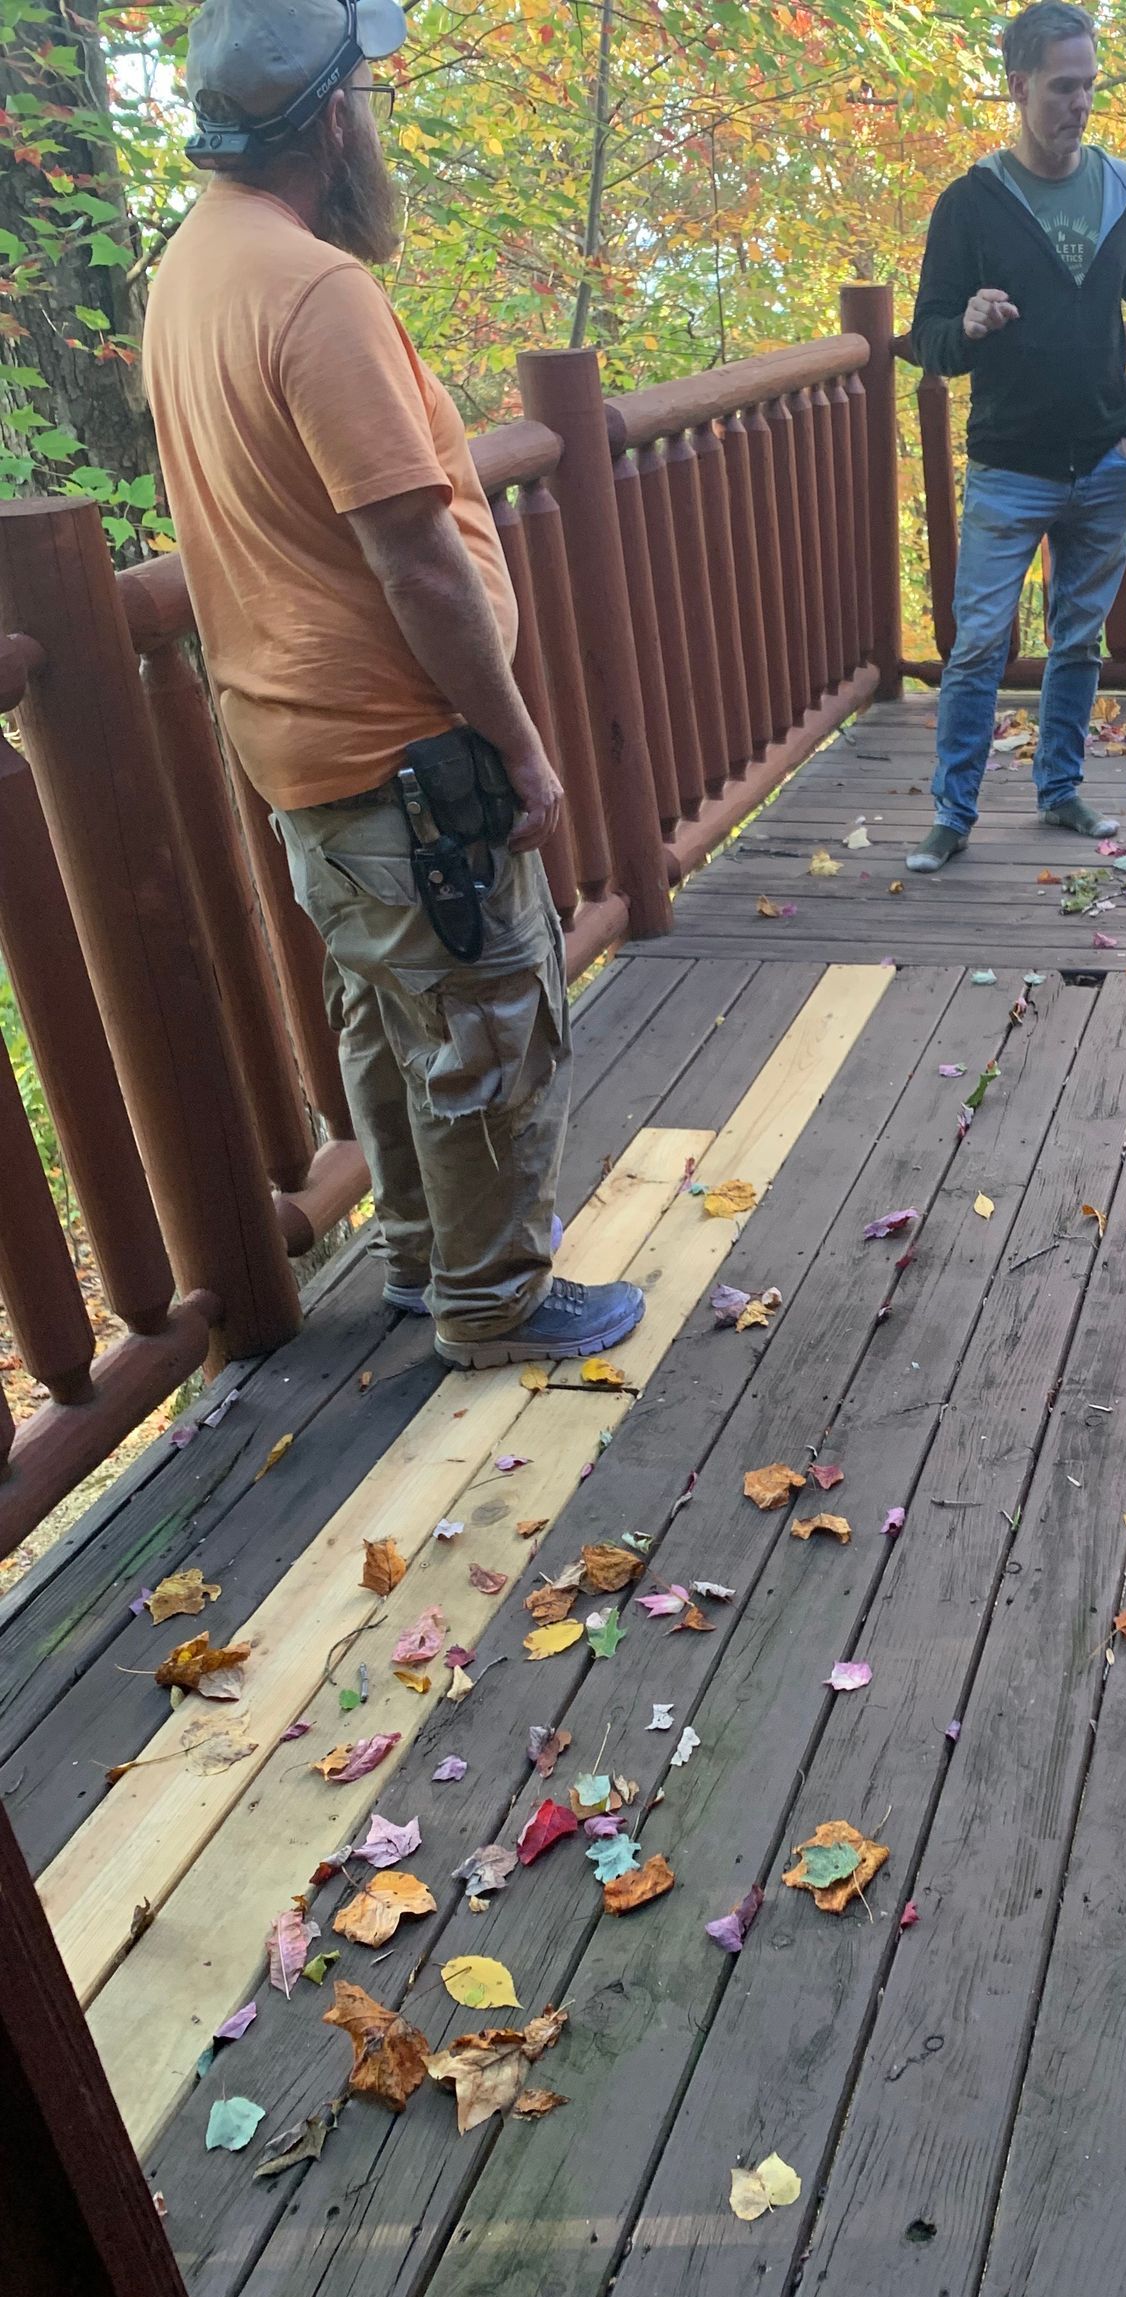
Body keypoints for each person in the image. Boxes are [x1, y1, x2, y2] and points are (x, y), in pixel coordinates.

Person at [145, 0, 642, 1371]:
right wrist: (521, 747)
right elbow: (416, 559)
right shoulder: (316, 292)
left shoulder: (192, 264)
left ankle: (426, 1262)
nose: (374, 115)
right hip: (403, 756)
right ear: (332, 118)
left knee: (391, 1014)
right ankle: (494, 1303)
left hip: (300, 748)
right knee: (488, 1016)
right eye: (366, 92)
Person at [907, 0, 1126, 874]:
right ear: (1019, 87)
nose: (1080, 103)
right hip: (1007, 468)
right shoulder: (971, 203)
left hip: (1103, 462)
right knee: (978, 645)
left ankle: (1059, 790)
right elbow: (928, 337)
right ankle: (953, 813)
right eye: (1063, 87)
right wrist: (966, 325)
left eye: (1089, 85)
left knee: (1079, 640)